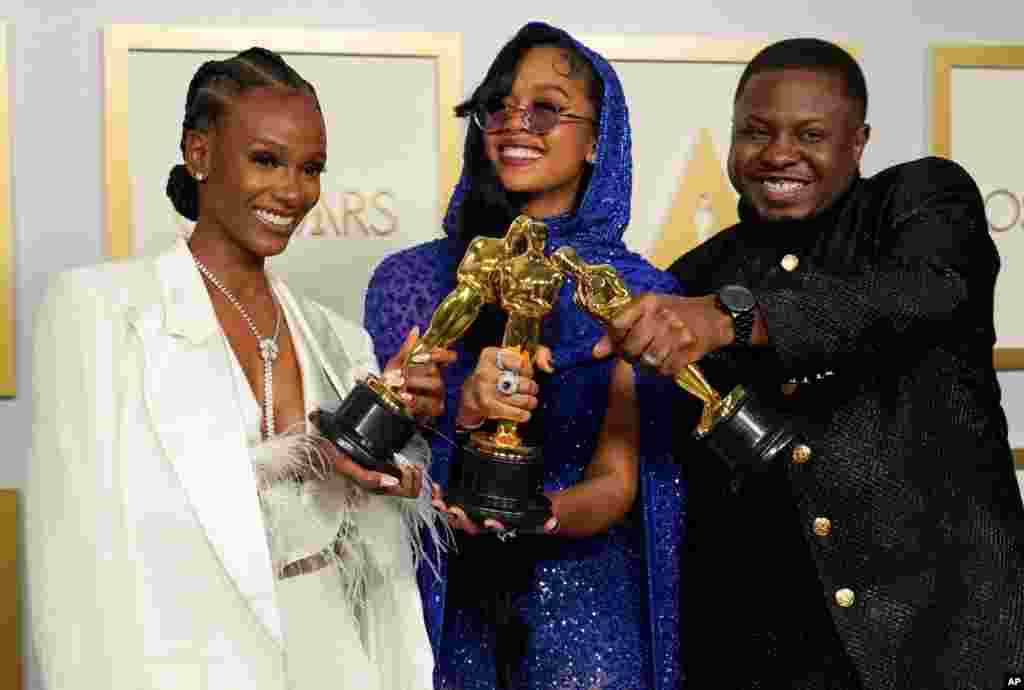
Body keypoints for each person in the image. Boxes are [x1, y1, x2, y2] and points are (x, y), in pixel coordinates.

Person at [593, 38, 1024, 690]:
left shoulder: (921, 203)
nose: (778, 154)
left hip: (938, 647)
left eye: (811, 134)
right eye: (756, 132)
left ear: (858, 141)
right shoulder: (695, 275)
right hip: (765, 658)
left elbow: (919, 295)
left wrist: (732, 319)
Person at [24, 47, 453, 689]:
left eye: (310, 169)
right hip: (184, 669)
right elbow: (72, 568)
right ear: (199, 155)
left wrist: (394, 422)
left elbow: (377, 545)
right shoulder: (99, 314)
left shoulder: (341, 342)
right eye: (266, 160)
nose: (292, 191)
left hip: (340, 663)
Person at [365, 22, 682, 690]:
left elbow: (619, 481)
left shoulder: (643, 296)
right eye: (500, 106)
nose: (517, 123)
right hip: (447, 611)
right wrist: (463, 417)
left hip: (591, 621)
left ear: (599, 139)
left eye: (547, 107)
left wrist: (535, 514)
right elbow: (379, 473)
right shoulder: (413, 281)